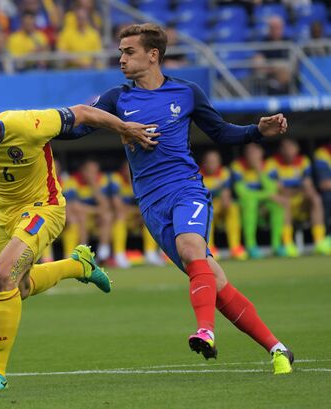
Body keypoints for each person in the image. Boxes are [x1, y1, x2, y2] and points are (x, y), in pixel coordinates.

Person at [58, 23, 294, 375]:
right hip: (152, 206)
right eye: (121, 51)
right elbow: (77, 128)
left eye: (129, 51)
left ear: (153, 55)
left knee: (190, 248)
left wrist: (256, 131)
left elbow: (221, 133)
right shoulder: (116, 99)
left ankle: (205, 331)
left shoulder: (187, 92)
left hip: (186, 188)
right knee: (213, 279)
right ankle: (278, 349)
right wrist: (38, 127)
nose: (121, 58)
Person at [0, 96, 153, 391]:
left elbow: (85, 113)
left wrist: (124, 128)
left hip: (42, 208)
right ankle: (79, 266)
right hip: (2, 216)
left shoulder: (29, 125)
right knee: (17, 288)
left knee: (2, 277)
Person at [265, 138, 331, 255]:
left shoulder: (304, 161)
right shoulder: (272, 163)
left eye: (291, 147)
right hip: (282, 205)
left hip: (300, 204)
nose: (288, 151)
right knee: (285, 201)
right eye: (285, 148)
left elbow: (308, 187)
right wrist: (299, 188)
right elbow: (278, 191)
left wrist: (294, 189)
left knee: (315, 198)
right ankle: (288, 244)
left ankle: (319, 241)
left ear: (297, 149)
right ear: (281, 150)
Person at [231, 144, 288, 259]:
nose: (252, 155)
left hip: (264, 202)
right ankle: (251, 246)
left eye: (255, 152)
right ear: (245, 155)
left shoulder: (270, 165)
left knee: (277, 204)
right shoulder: (237, 166)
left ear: (261, 153)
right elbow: (242, 193)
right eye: (249, 152)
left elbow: (272, 188)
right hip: (246, 204)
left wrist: (259, 170)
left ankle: (276, 245)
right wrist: (268, 195)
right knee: (250, 202)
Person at [110, 160, 165, 267]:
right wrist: (137, 211)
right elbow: (119, 207)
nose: (131, 171)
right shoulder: (116, 179)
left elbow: (149, 203)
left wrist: (139, 212)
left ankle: (150, 253)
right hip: (122, 217)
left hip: (138, 216)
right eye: (128, 168)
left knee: (151, 214)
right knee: (120, 214)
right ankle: (119, 255)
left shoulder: (142, 180)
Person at [62, 159, 113, 262]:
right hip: (78, 219)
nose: (92, 174)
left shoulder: (101, 180)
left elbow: (106, 206)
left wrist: (93, 185)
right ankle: (82, 254)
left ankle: (103, 255)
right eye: (90, 171)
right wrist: (97, 211)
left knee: (107, 216)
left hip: (94, 220)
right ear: (83, 171)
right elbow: (74, 206)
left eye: (95, 171)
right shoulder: (72, 181)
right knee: (81, 216)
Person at [199, 150, 247, 260]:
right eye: (209, 162)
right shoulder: (198, 174)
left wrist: (226, 195)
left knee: (233, 207)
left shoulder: (224, 172)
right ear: (204, 163)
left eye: (215, 161)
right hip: (204, 205)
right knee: (205, 212)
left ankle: (235, 247)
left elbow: (226, 190)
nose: (212, 164)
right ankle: (209, 248)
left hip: (219, 204)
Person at [314, 141, 331, 234]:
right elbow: (324, 184)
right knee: (327, 196)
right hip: (326, 194)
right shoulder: (322, 153)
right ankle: (326, 236)